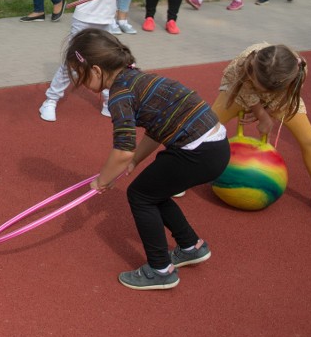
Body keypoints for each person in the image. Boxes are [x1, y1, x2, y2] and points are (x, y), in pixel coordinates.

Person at [64, 29, 229, 290]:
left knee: (140, 195)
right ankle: (190, 246)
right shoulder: (135, 78)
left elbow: (122, 150)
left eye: (78, 73)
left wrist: (102, 181)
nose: (79, 81)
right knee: (153, 191)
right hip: (215, 146)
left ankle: (160, 270)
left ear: (95, 70)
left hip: (195, 152)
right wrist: (135, 162)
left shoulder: (119, 95)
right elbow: (155, 130)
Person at [39, 0, 171, 122]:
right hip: (86, 22)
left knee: (109, 63)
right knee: (73, 64)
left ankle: (108, 102)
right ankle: (50, 100)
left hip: (104, 22)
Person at [212, 43, 311, 225]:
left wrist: (268, 111)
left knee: (309, 140)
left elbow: (284, 97)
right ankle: (180, 175)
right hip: (241, 89)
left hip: (280, 99)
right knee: (206, 127)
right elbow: (247, 89)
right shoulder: (244, 64)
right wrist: (261, 114)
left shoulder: (298, 71)